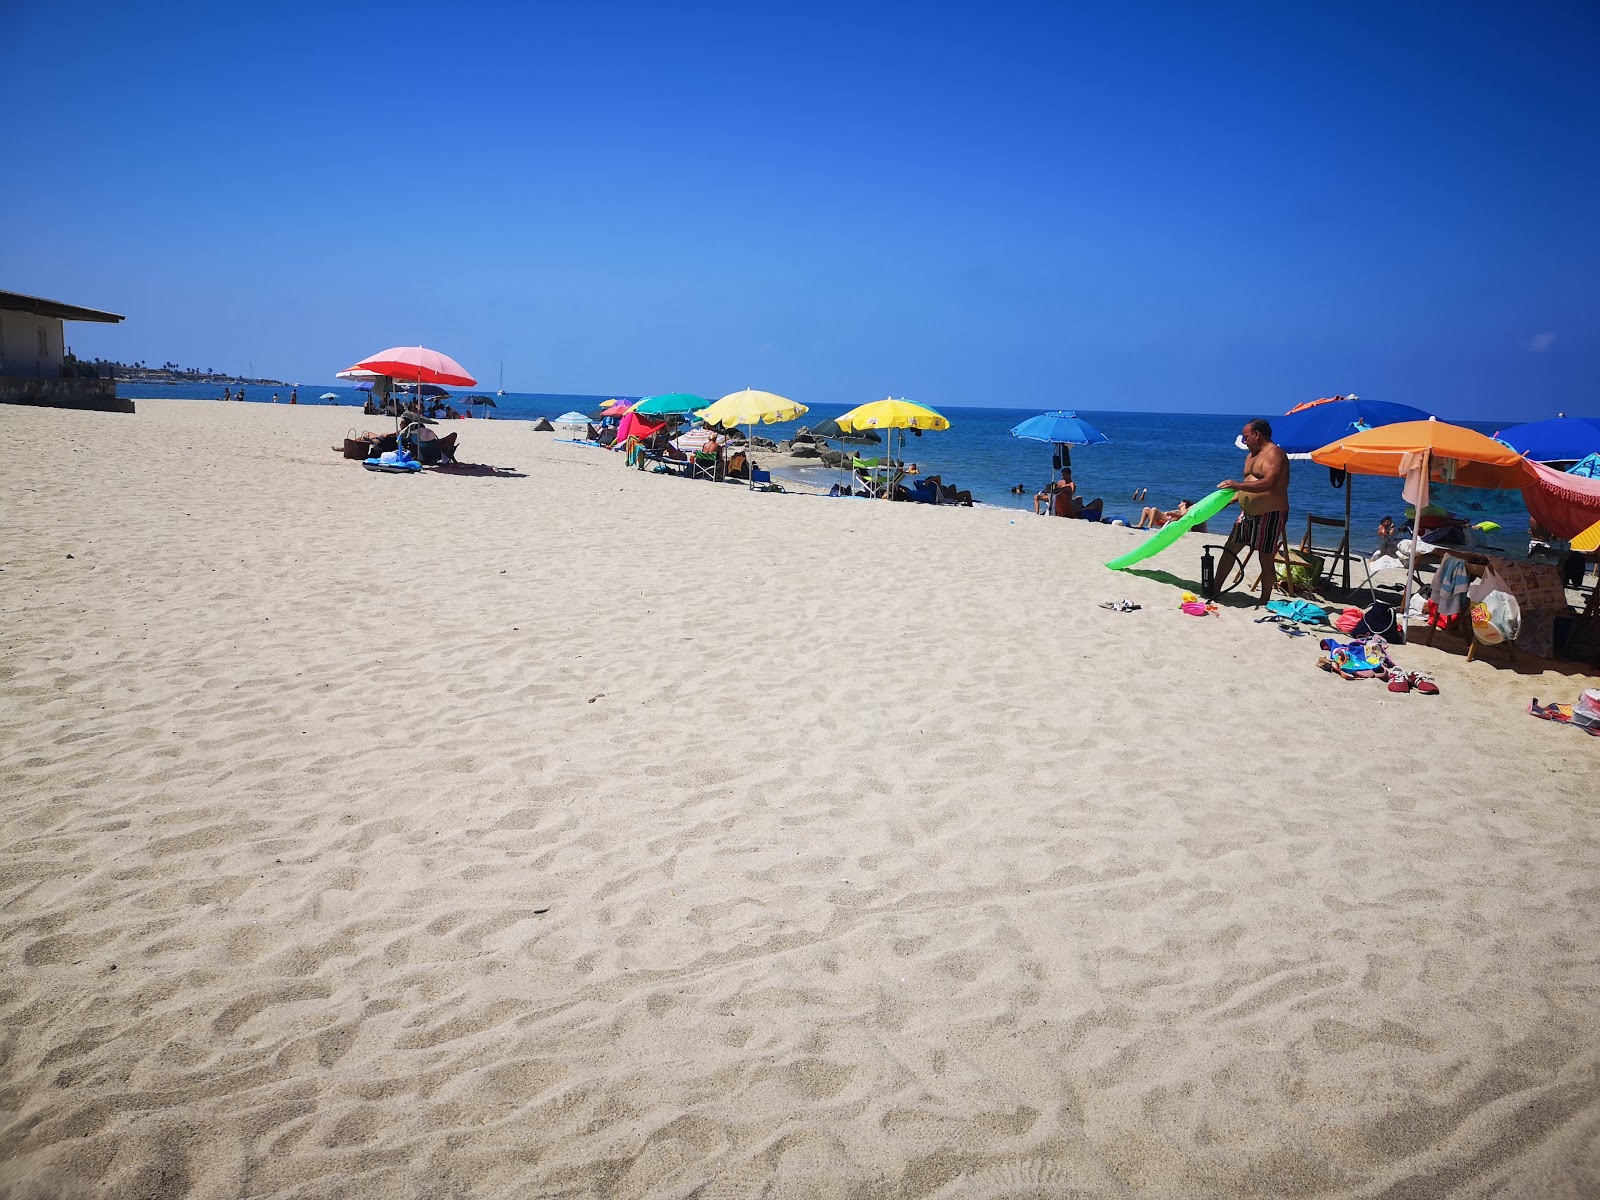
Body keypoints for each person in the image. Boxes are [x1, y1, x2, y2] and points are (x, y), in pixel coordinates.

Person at [1213, 417, 1291, 606]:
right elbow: (1248, 486)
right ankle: (1215, 589)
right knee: (1230, 548)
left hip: (1270, 513)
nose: (1244, 440)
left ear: (1257, 434)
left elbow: (1269, 483)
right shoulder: (1250, 456)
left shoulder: (1275, 454)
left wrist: (1235, 484)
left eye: (1246, 436)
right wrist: (1229, 500)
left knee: (1265, 556)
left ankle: (1264, 600)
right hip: (1247, 514)